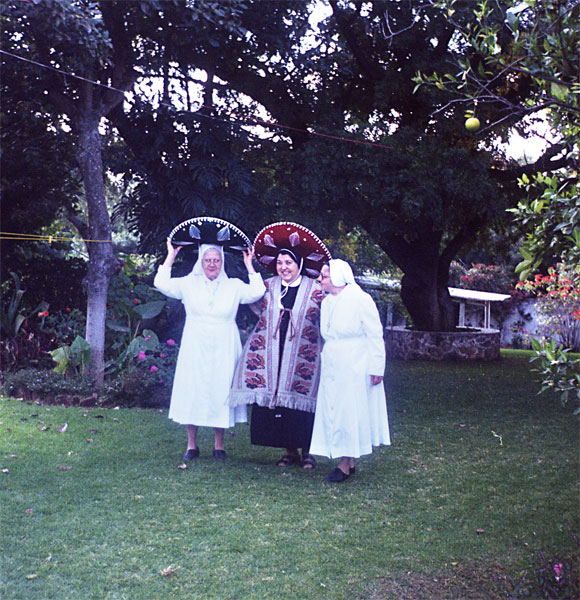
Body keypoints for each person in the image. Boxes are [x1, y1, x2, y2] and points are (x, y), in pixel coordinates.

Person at [229, 222, 331, 469]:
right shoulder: (268, 286)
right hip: (273, 351)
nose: (284, 267)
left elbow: (327, 318)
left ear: (299, 264)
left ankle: (308, 452)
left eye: (289, 263)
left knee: (302, 403)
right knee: (278, 404)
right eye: (280, 263)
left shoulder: (316, 290)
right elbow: (255, 308)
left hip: (304, 353)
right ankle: (289, 451)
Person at [154, 237, 265, 461]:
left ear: (222, 262)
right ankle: (191, 445)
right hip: (195, 343)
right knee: (192, 389)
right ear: (201, 262)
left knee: (220, 390)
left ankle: (219, 446)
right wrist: (171, 256)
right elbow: (161, 283)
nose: (212, 264)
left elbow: (257, 291)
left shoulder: (234, 285)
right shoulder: (188, 283)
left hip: (224, 344)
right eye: (208, 260)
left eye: (216, 260)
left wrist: (249, 266)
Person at [310, 259, 391, 482]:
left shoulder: (361, 299)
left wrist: (377, 367)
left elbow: (375, 334)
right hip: (333, 361)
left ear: (337, 277)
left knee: (348, 410)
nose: (320, 279)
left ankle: (345, 463)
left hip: (355, 362)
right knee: (334, 408)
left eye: (324, 276)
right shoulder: (327, 302)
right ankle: (348, 460)